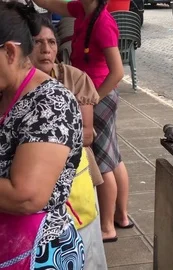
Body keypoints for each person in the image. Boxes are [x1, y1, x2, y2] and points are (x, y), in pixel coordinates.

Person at [33, 0, 133, 242]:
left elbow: (118, 71)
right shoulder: (81, 9)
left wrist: (94, 99)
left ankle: (107, 227)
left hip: (100, 96)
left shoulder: (103, 23)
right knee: (114, 157)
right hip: (92, 94)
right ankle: (122, 216)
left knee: (102, 162)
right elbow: (50, 4)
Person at [0, 2, 84, 269]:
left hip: (39, 252)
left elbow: (25, 196)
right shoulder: (5, 91)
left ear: (10, 52)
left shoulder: (51, 103)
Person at [29, 15, 108, 270]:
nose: (46, 49)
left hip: (76, 180)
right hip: (36, 188)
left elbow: (87, 134)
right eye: (37, 42)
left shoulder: (73, 79)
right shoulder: (16, 85)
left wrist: (42, 149)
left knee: (86, 250)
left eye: (51, 42)